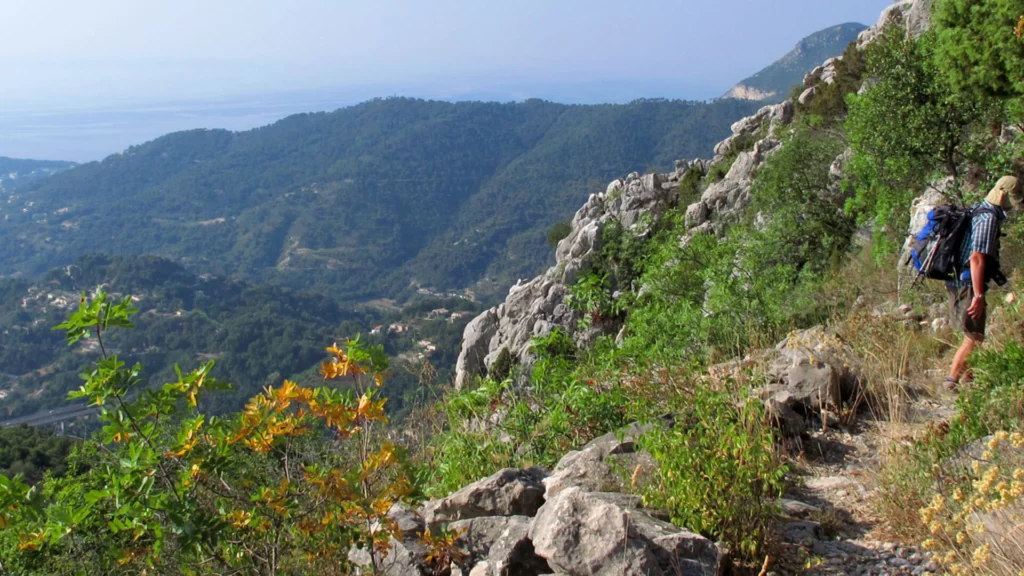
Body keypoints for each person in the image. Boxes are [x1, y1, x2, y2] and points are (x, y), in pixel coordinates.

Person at [946, 175, 1022, 389]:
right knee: (974, 335)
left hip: (961, 280)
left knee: (975, 334)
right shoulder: (988, 218)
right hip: (968, 283)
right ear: (1005, 196)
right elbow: (977, 257)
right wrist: (978, 295)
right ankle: (951, 381)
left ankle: (969, 379)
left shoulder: (980, 210)